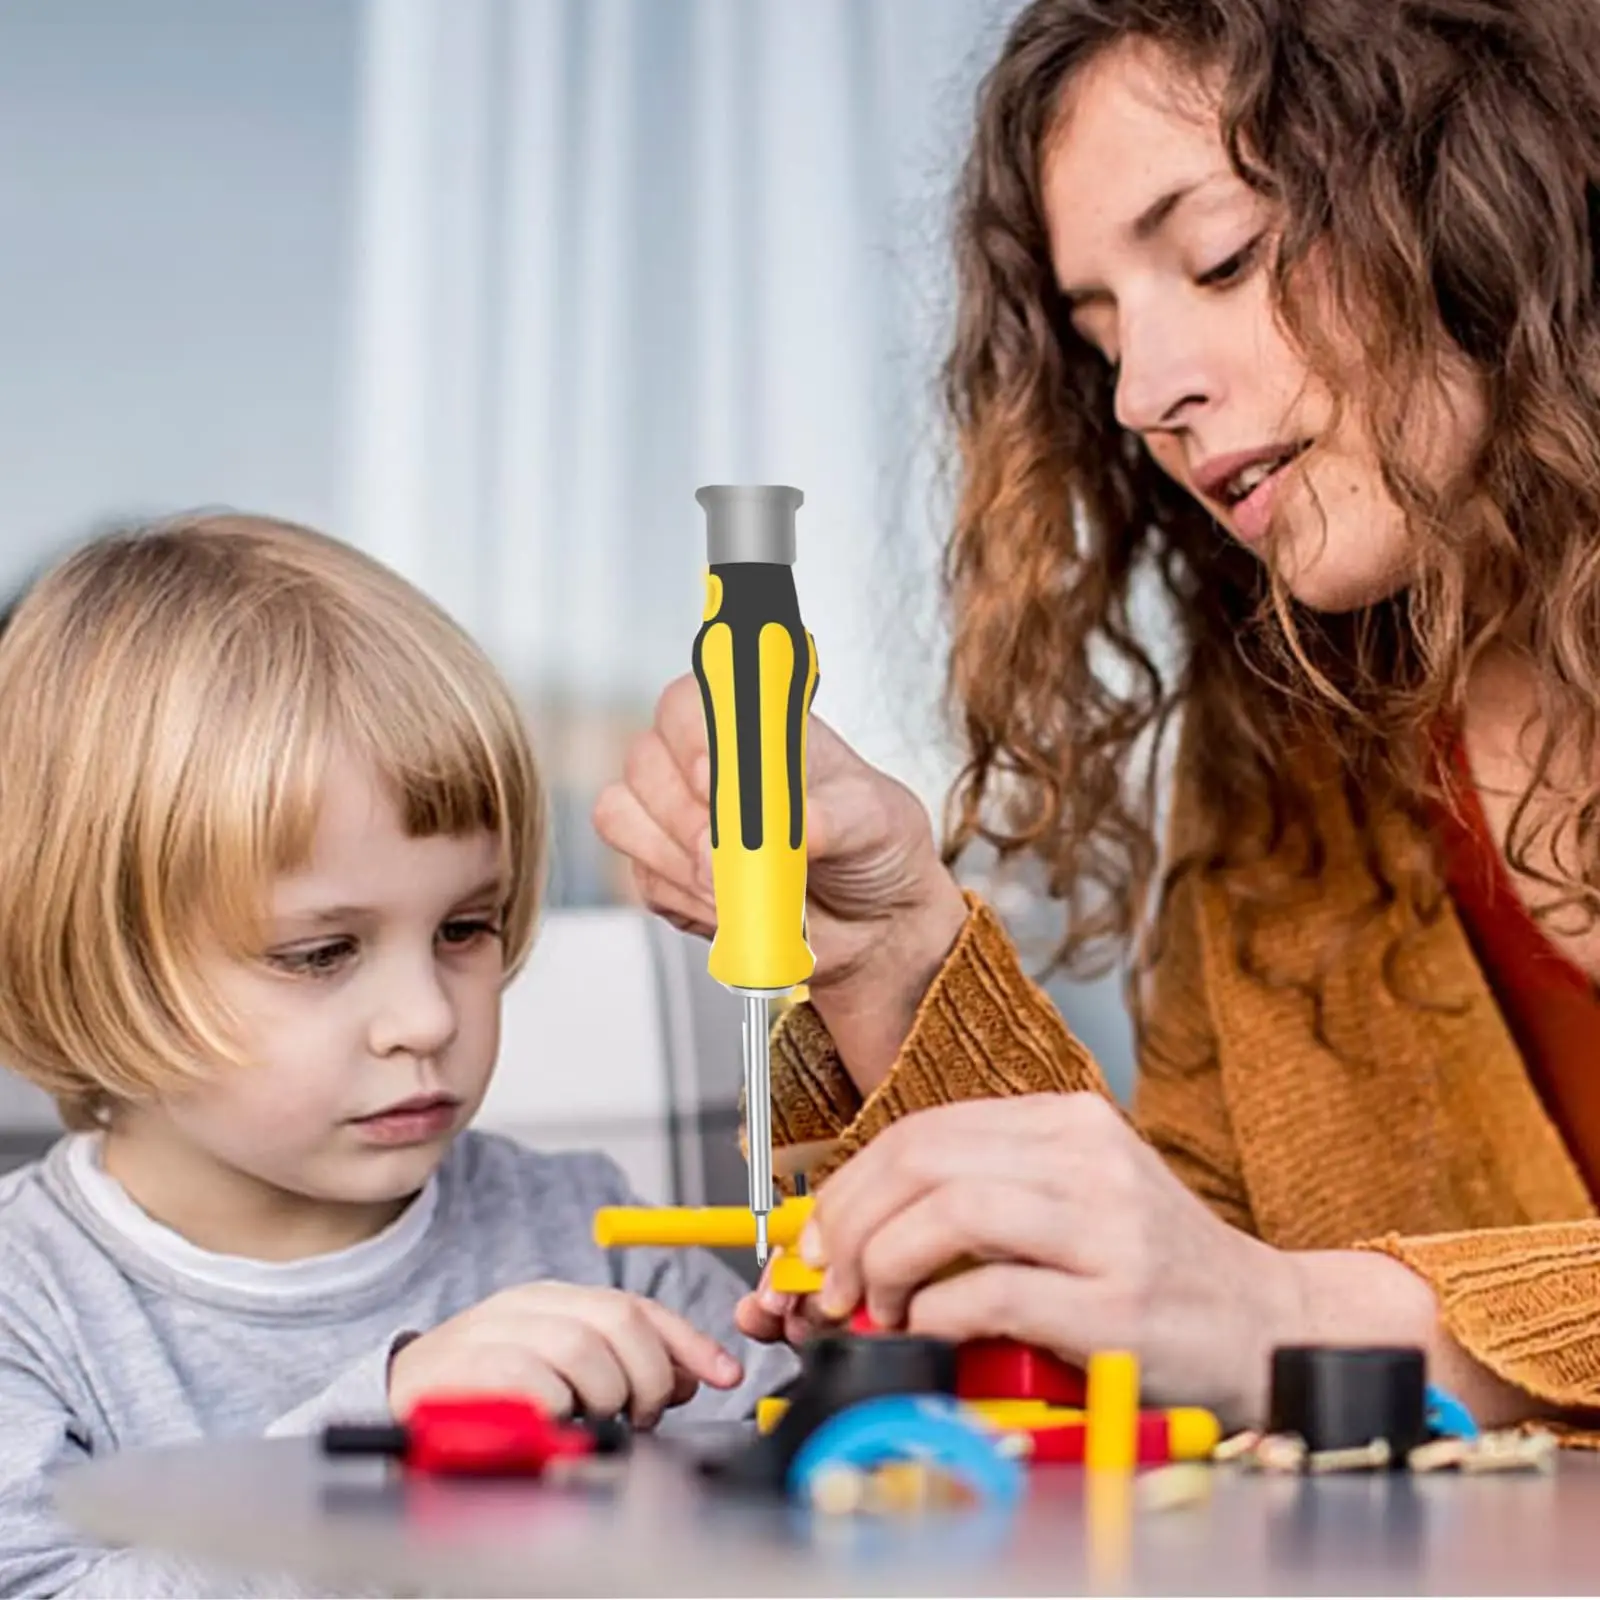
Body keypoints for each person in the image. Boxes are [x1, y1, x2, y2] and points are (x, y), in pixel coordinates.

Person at [595, 0, 1600, 1441]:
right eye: (1099, 329)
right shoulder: (1290, 761)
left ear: (1498, 199)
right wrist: (889, 949)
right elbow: (1181, 1290)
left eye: (1224, 257)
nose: (1143, 391)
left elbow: (1247, 1307)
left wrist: (1293, 1320)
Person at [0, 514, 794, 1597]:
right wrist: (378, 1442)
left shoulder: (586, 1236)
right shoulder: (26, 1306)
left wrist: (844, 1370)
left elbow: (813, 1520)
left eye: (465, 928)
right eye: (321, 952)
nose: (424, 1016)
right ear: (91, 959)